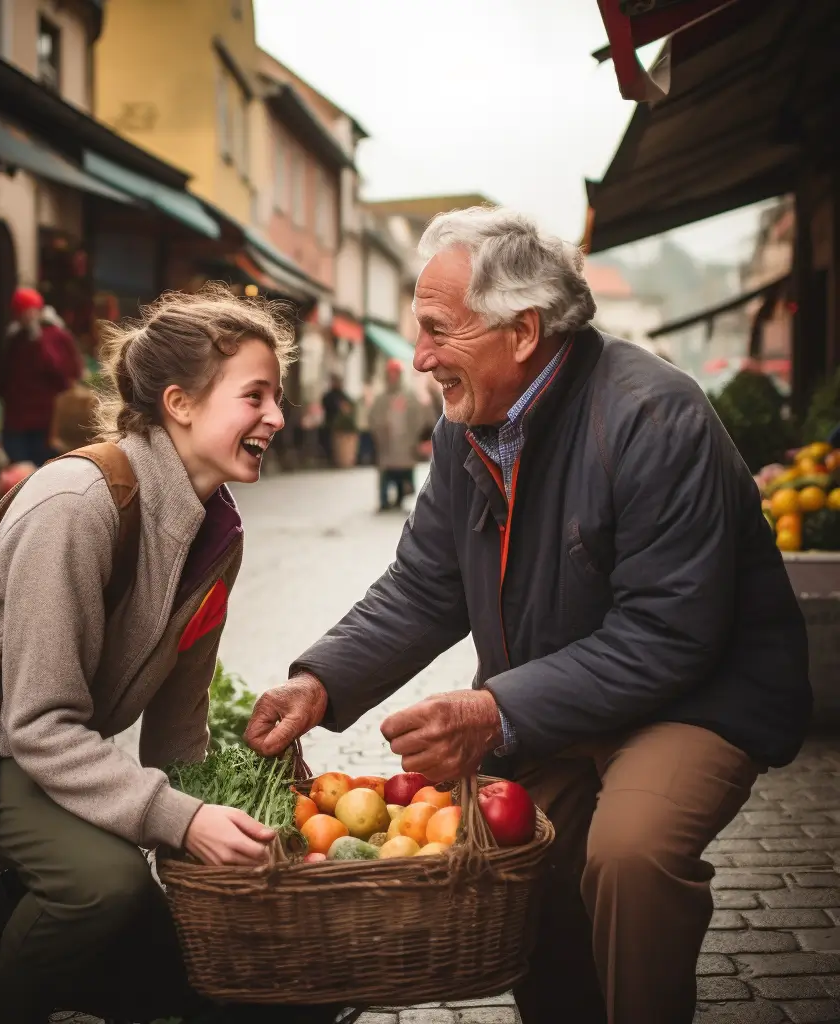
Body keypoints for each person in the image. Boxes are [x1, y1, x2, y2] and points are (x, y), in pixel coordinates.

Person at [244, 207, 811, 1024]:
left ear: (522, 331)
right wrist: (319, 681)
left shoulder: (655, 415)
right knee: (515, 854)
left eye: (439, 331)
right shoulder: (464, 427)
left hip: (695, 697)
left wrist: (496, 707)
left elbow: (669, 635)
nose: (419, 357)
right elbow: (423, 585)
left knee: (630, 855)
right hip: (555, 699)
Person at [0, 286, 338, 1024]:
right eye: (256, 395)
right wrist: (179, 820)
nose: (278, 418)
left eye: (277, 398)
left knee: (176, 966)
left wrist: (236, 816)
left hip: (44, 743)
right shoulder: (79, 505)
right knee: (105, 886)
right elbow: (38, 724)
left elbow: (178, 725)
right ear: (181, 403)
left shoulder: (217, 534)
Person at [0, 287, 83, 467]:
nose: (25, 317)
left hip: (46, 422)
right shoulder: (16, 338)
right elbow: (4, 374)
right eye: (20, 313)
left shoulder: (56, 336)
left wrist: (38, 342)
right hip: (16, 421)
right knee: (19, 473)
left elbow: (66, 372)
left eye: (28, 311)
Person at [368, 357, 433, 511]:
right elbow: (373, 418)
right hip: (387, 444)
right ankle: (384, 500)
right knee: (386, 473)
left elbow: (418, 417)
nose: (393, 377)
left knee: (402, 473)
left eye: (395, 374)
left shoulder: (409, 397)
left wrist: (414, 436)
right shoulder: (381, 398)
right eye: (390, 374)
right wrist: (380, 431)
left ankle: (400, 497)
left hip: (405, 443)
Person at [320, 372, 353, 466]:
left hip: (340, 425)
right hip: (330, 423)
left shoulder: (343, 395)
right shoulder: (329, 396)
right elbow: (326, 404)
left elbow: (349, 407)